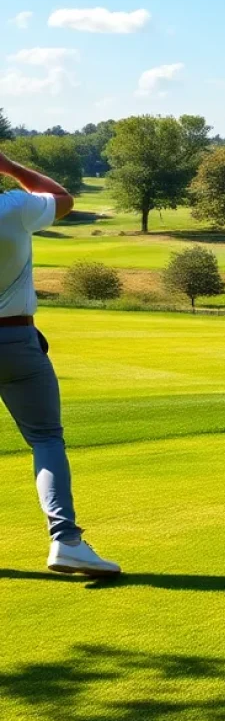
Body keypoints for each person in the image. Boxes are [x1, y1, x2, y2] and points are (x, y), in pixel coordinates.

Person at [0, 152, 120, 576]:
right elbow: (62, 198)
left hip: (18, 337)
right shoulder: (12, 207)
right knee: (46, 439)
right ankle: (66, 540)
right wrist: (9, 165)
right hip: (15, 339)